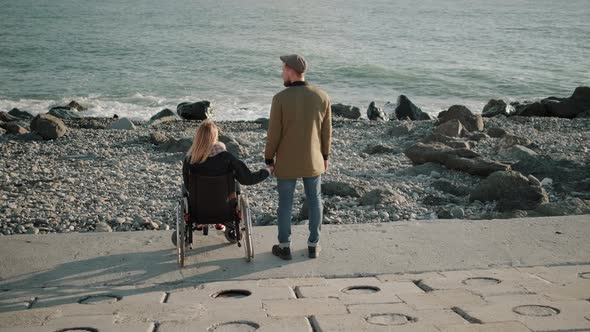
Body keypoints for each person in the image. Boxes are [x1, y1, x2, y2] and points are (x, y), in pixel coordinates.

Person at [265, 54, 332, 260]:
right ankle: (313, 245)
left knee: (285, 203)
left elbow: (274, 133)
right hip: (313, 160)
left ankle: (284, 247)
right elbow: (326, 132)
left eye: (283, 69)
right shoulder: (322, 96)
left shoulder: (280, 99)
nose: (282, 73)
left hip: (286, 162)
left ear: (291, 71)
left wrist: (269, 159)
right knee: (315, 201)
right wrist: (325, 156)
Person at [183, 120, 270, 231]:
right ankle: (220, 221)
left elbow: (188, 186)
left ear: (198, 137)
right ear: (215, 137)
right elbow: (247, 179)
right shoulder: (227, 158)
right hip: (225, 211)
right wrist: (267, 171)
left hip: (199, 212)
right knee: (235, 187)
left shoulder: (190, 160)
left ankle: (202, 222)